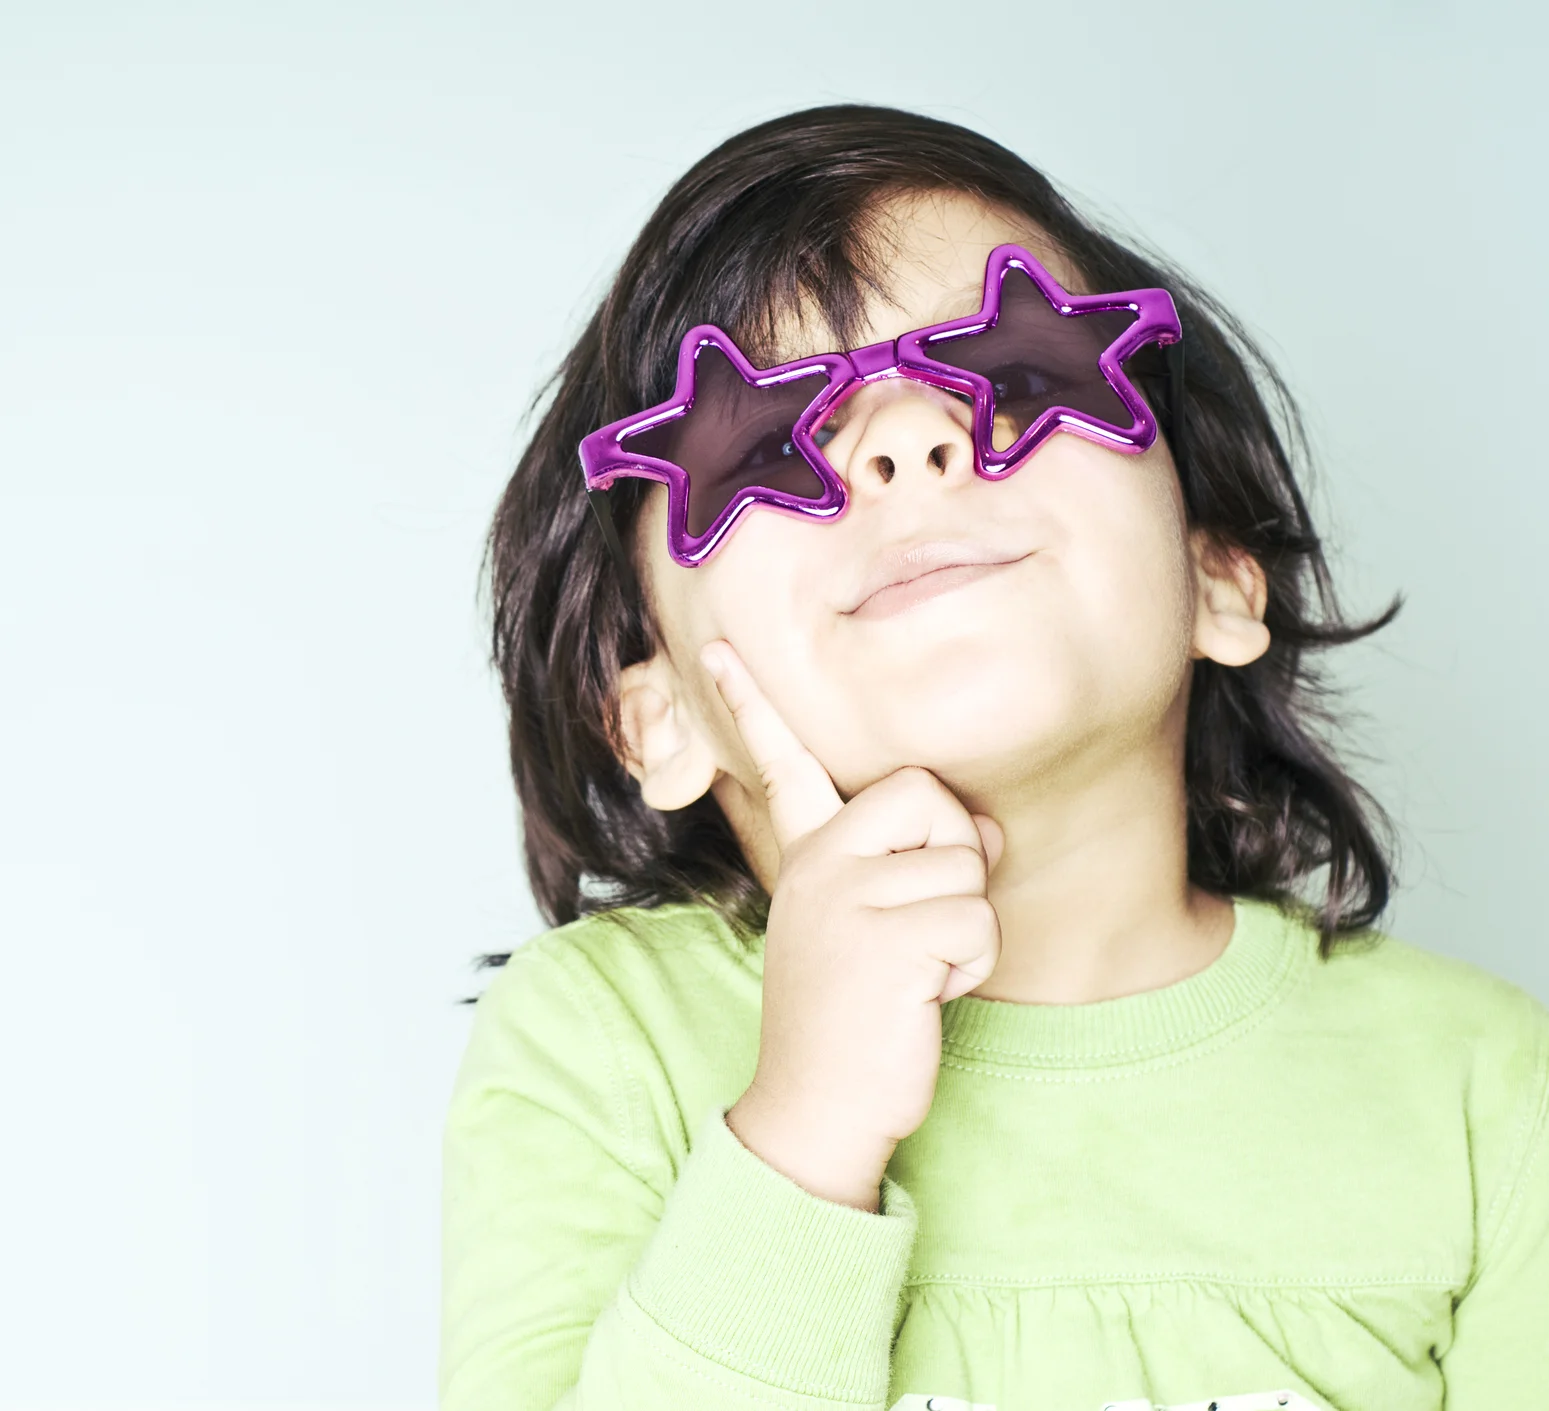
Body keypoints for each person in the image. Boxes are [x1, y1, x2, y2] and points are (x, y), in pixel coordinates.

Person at [443, 105, 1548, 1410]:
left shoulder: (1486, 1093)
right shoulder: (603, 1043)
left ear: (1219, 578)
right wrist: (803, 1132)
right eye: (759, 439)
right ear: (656, 714)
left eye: (1026, 368)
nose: (906, 442)